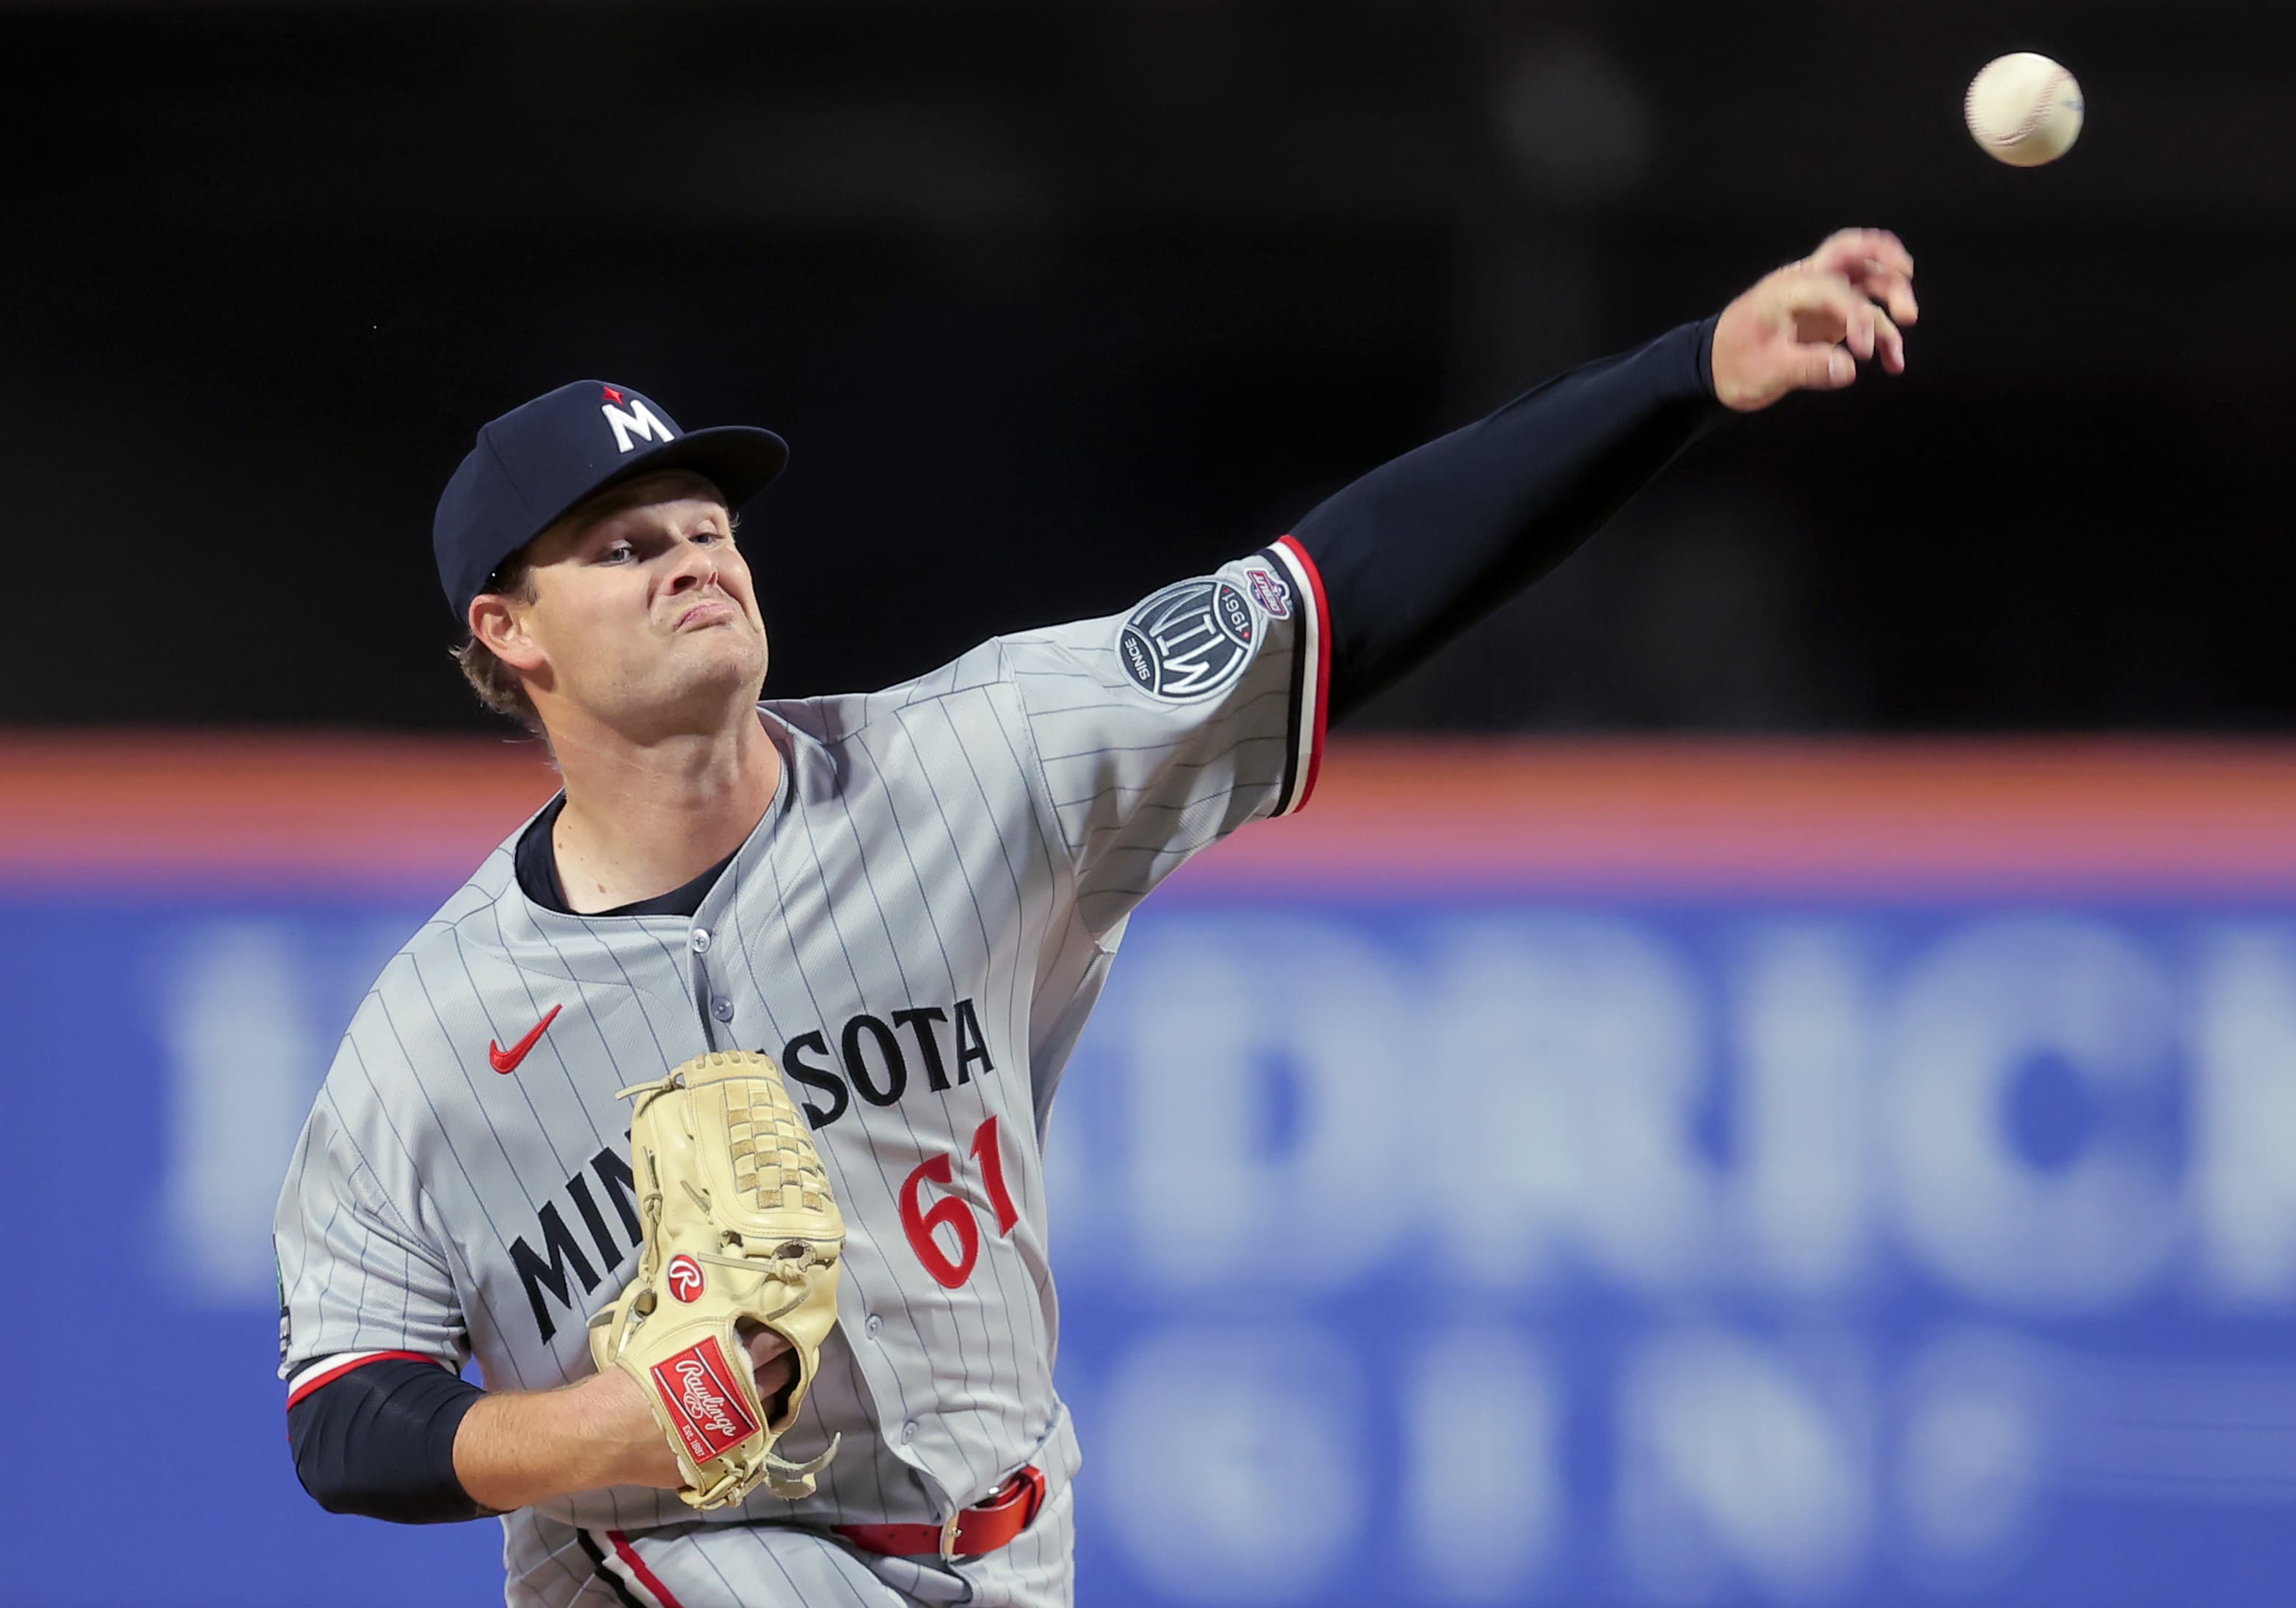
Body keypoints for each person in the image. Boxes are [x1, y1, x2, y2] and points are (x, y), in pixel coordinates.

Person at [273, 230, 1917, 1607]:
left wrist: (1684, 372)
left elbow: (1341, 583)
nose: (696, 560)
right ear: (511, 632)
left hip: (1004, 1554)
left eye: (710, 528)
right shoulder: (433, 1038)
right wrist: (600, 1435)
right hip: (678, 1567)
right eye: (626, 547)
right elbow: (351, 1412)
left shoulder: (981, 762)